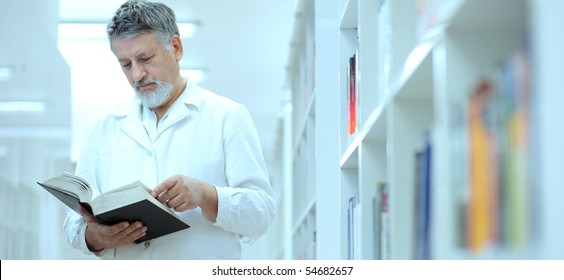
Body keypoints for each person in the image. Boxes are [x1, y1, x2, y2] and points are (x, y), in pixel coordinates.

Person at [63, 0, 276, 259]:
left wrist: (206, 195)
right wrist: (93, 237)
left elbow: (262, 214)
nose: (137, 75)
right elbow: (73, 225)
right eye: (125, 64)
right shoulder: (102, 128)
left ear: (175, 47)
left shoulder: (227, 116)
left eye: (145, 58)